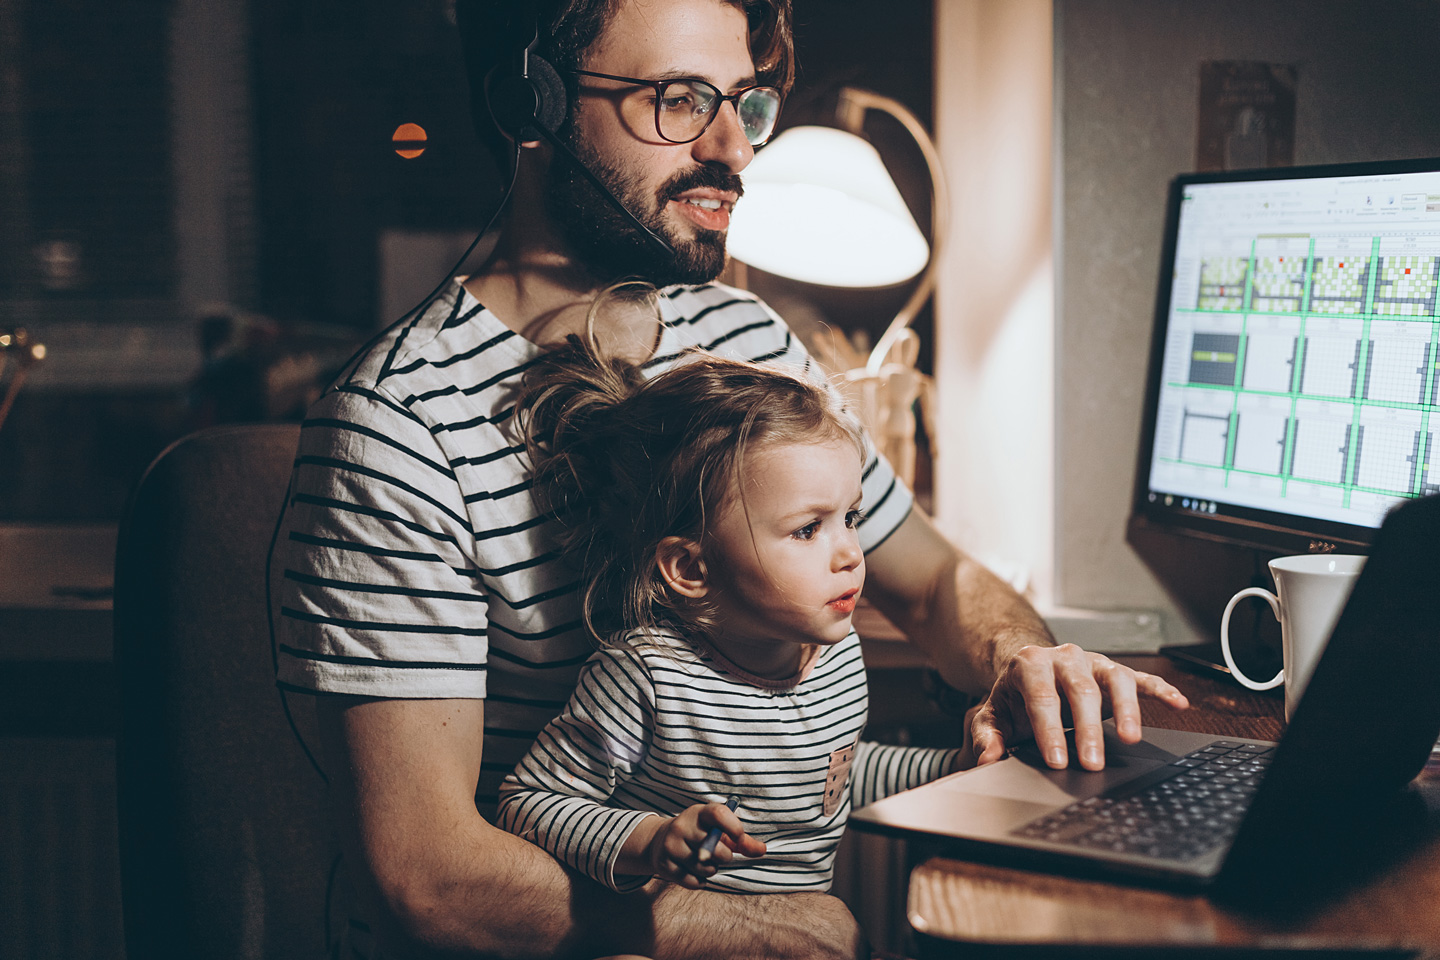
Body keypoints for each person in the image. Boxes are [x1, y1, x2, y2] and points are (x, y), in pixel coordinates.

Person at [271, 0, 1190, 957]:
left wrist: (1020, 668)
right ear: (529, 106)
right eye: (678, 99)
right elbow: (429, 878)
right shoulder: (396, 426)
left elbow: (942, 584)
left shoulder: (747, 338)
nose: (734, 150)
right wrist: (737, 926)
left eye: (745, 105)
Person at [496, 337, 967, 893]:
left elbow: (829, 775)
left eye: (851, 517)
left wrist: (954, 770)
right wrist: (649, 839)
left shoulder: (838, 655)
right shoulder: (648, 678)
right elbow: (528, 804)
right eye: (808, 529)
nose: (850, 553)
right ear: (691, 568)